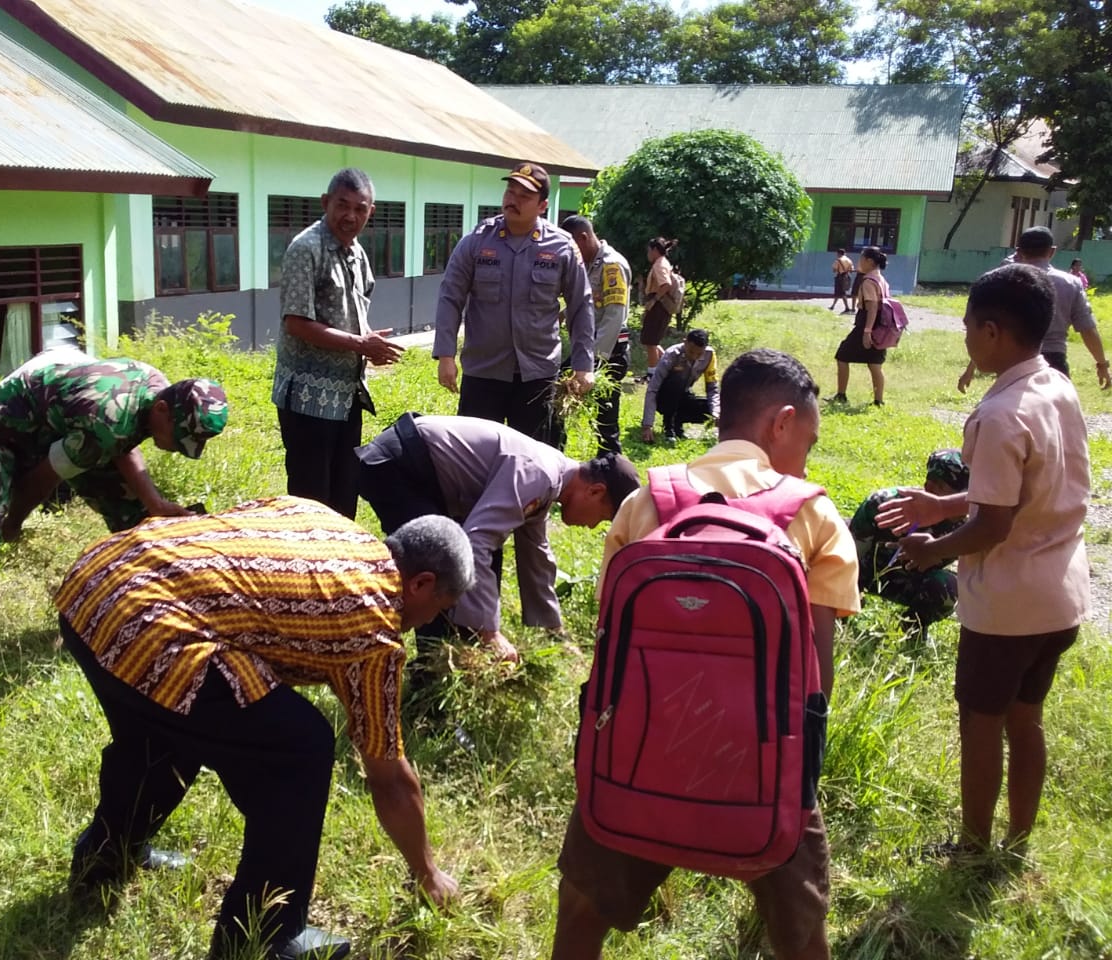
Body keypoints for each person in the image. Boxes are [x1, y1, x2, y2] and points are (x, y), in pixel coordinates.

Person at [58, 499, 473, 960]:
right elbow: (390, 778)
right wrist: (429, 874)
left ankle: (105, 857)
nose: (431, 622)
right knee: (301, 750)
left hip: (97, 583)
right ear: (421, 583)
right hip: (149, 626)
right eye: (440, 608)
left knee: (164, 724)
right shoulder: (374, 627)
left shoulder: (325, 522)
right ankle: (264, 936)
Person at [550, 348, 860, 960]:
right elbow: (814, 680)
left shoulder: (647, 503)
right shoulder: (813, 513)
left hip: (636, 757)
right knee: (803, 933)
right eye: (809, 438)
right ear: (781, 422)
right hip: (766, 771)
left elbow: (610, 640)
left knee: (581, 911)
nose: (807, 455)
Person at [886, 264, 1090, 857]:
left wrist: (932, 550)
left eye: (969, 327)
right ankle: (1017, 840)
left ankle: (973, 846)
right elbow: (1029, 492)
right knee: (1027, 720)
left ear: (994, 332)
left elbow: (995, 523)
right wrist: (942, 502)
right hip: (1059, 596)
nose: (966, 338)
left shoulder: (1000, 415)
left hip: (1007, 608)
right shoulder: (1055, 386)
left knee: (980, 724)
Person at [0, 352, 228, 683]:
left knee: (140, 522)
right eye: (181, 436)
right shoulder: (108, 420)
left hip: (60, 431)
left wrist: (154, 502)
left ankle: (146, 621)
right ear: (162, 410)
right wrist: (13, 521)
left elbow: (124, 442)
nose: (179, 447)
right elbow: (45, 478)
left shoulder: (156, 389)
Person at [357, 414, 641, 666]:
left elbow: (536, 558)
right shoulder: (539, 473)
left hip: (416, 472)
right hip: (398, 467)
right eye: (602, 518)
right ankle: (414, 669)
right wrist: (490, 632)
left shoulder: (551, 480)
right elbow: (476, 542)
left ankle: (452, 659)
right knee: (436, 573)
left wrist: (554, 632)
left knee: (466, 567)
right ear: (595, 491)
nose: (592, 526)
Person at [271, 167, 405, 520]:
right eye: (342, 205)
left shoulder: (357, 253)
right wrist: (360, 345)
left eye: (360, 209)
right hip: (307, 398)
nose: (350, 216)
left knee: (345, 491)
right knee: (311, 497)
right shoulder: (306, 248)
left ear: (370, 212)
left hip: (346, 395)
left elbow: (354, 311)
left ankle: (340, 569)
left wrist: (369, 344)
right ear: (325, 203)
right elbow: (297, 323)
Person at [433, 162, 595, 445]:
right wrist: (445, 355)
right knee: (475, 457)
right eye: (510, 191)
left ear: (542, 205)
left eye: (524, 196)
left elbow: (581, 305)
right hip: (484, 372)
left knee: (536, 460)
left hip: (537, 376)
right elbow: (450, 296)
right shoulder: (476, 241)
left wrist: (584, 364)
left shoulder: (562, 247)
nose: (513, 200)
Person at [958, 227, 1109, 391]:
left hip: (1014, 362)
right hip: (1055, 363)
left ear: (1019, 251)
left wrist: (971, 368)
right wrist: (1102, 364)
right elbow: (1088, 329)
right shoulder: (1070, 283)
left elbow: (988, 330)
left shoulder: (1004, 282)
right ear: (1052, 251)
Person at [850, 449, 970, 640]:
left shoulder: (969, 525)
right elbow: (849, 555)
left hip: (910, 581)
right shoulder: (884, 504)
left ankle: (912, 628)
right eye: (958, 495)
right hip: (865, 571)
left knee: (950, 586)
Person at [559, 215, 632, 454]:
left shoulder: (611, 266)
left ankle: (611, 466)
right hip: (589, 350)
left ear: (584, 237)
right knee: (558, 394)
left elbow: (613, 317)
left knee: (605, 417)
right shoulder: (591, 265)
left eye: (573, 247)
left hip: (607, 352)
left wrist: (593, 362)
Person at [830, 246, 890, 406]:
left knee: (842, 355)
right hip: (882, 325)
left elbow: (872, 306)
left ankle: (841, 395)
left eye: (861, 259)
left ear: (869, 261)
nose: (859, 262)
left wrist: (867, 331)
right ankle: (879, 401)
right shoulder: (882, 279)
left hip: (867, 323)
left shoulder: (869, 281)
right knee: (875, 363)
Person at [639, 329, 719, 445]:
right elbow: (653, 389)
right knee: (675, 385)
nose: (695, 357)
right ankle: (669, 427)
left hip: (684, 395)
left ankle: (677, 421)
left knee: (715, 407)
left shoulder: (710, 355)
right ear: (685, 342)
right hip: (664, 399)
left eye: (699, 354)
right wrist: (647, 425)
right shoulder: (672, 354)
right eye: (691, 352)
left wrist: (716, 413)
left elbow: (712, 388)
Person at [639, 237, 678, 375]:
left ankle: (652, 374)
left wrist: (654, 300)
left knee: (650, 341)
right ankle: (670, 367)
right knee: (652, 341)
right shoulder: (662, 263)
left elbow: (666, 284)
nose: (648, 254)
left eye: (649, 251)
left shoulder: (659, 264)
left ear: (655, 250)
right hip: (659, 306)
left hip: (659, 306)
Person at [830, 248, 855, 313]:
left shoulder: (838, 260)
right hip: (846, 276)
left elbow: (834, 270)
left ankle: (847, 307)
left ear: (838, 253)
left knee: (841, 292)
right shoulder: (849, 260)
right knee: (840, 292)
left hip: (840, 277)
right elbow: (852, 270)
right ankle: (833, 306)